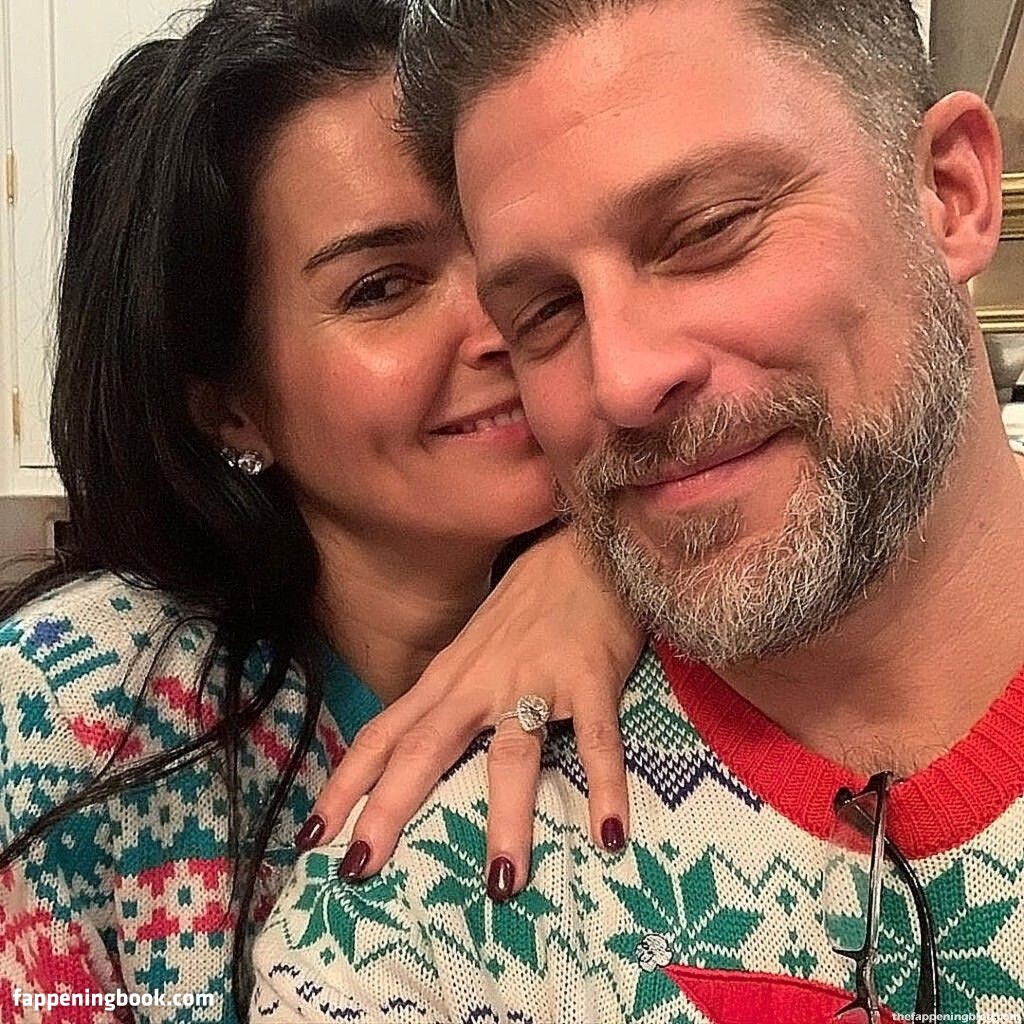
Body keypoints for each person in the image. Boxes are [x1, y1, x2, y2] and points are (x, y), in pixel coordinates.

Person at [253, 0, 1024, 1021]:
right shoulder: (412, 923)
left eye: (707, 232)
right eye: (545, 312)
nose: (620, 382)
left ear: (951, 192)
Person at [0, 2, 643, 1021]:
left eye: (500, 248)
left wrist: (610, 565)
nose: (500, 322)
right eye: (382, 286)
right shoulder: (78, 708)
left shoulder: (673, 619)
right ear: (232, 408)